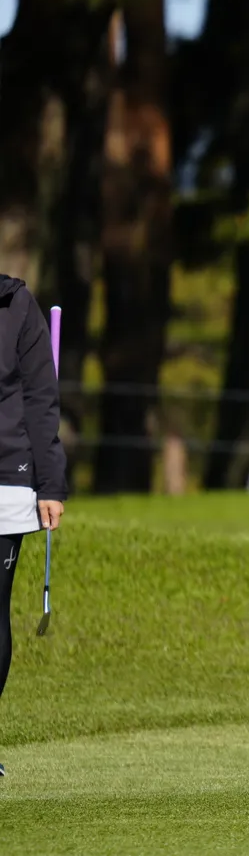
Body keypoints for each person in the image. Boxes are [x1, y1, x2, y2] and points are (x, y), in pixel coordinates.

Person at [0, 274, 68, 779]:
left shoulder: (17, 303)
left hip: (7, 477)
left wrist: (50, 484)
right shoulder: (18, 301)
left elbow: (41, 400)